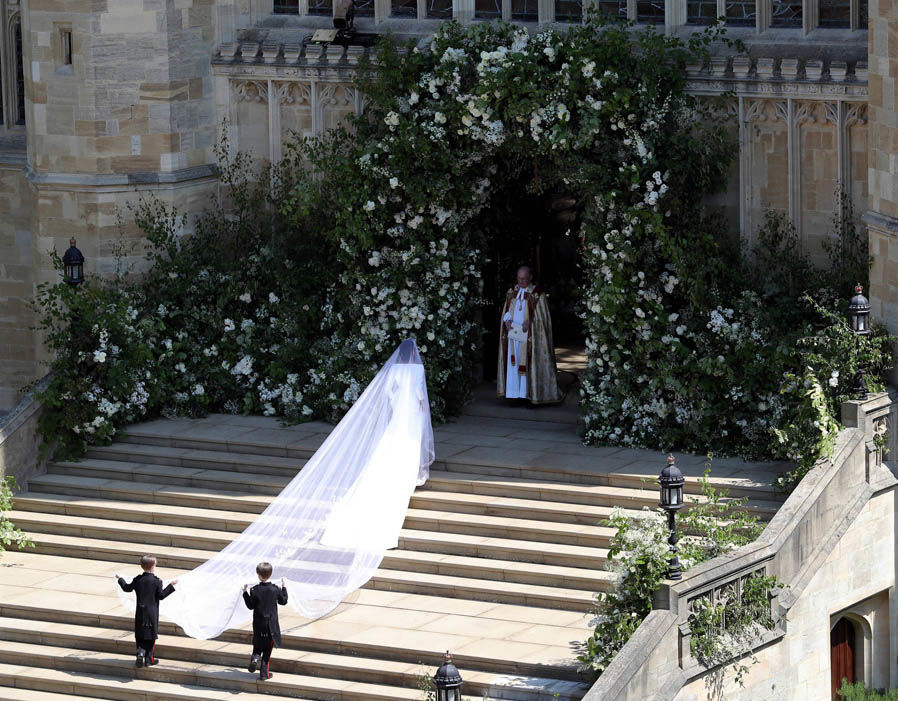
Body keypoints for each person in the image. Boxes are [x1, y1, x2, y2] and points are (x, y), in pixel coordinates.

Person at [150, 339, 434, 641]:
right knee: (403, 450)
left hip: (396, 422)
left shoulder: (394, 373)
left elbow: (389, 399)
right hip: (409, 421)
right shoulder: (416, 373)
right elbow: (420, 401)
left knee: (386, 454)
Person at [497, 265, 563, 404]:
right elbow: (507, 310)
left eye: (524, 279)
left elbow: (542, 319)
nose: (521, 281)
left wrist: (531, 322)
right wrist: (507, 321)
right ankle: (514, 395)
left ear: (530, 277)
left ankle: (530, 395)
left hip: (530, 337)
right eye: (519, 278)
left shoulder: (538, 295)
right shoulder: (512, 292)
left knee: (529, 363)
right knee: (513, 365)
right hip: (513, 336)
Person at [114, 554, 177, 667]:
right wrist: (171, 586)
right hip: (151, 613)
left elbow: (127, 588)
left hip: (140, 612)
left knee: (140, 634)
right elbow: (161, 596)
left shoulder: (138, 579)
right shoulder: (157, 581)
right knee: (151, 636)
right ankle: (149, 660)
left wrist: (120, 579)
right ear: (153, 566)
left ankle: (140, 652)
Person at [242, 562, 288, 681]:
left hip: (258, 624)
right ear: (271, 574)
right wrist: (284, 586)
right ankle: (264, 674)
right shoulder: (275, 589)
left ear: (258, 574)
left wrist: (245, 592)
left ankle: (255, 658)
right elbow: (283, 601)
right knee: (267, 650)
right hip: (270, 626)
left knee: (257, 645)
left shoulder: (254, 590)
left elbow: (250, 606)